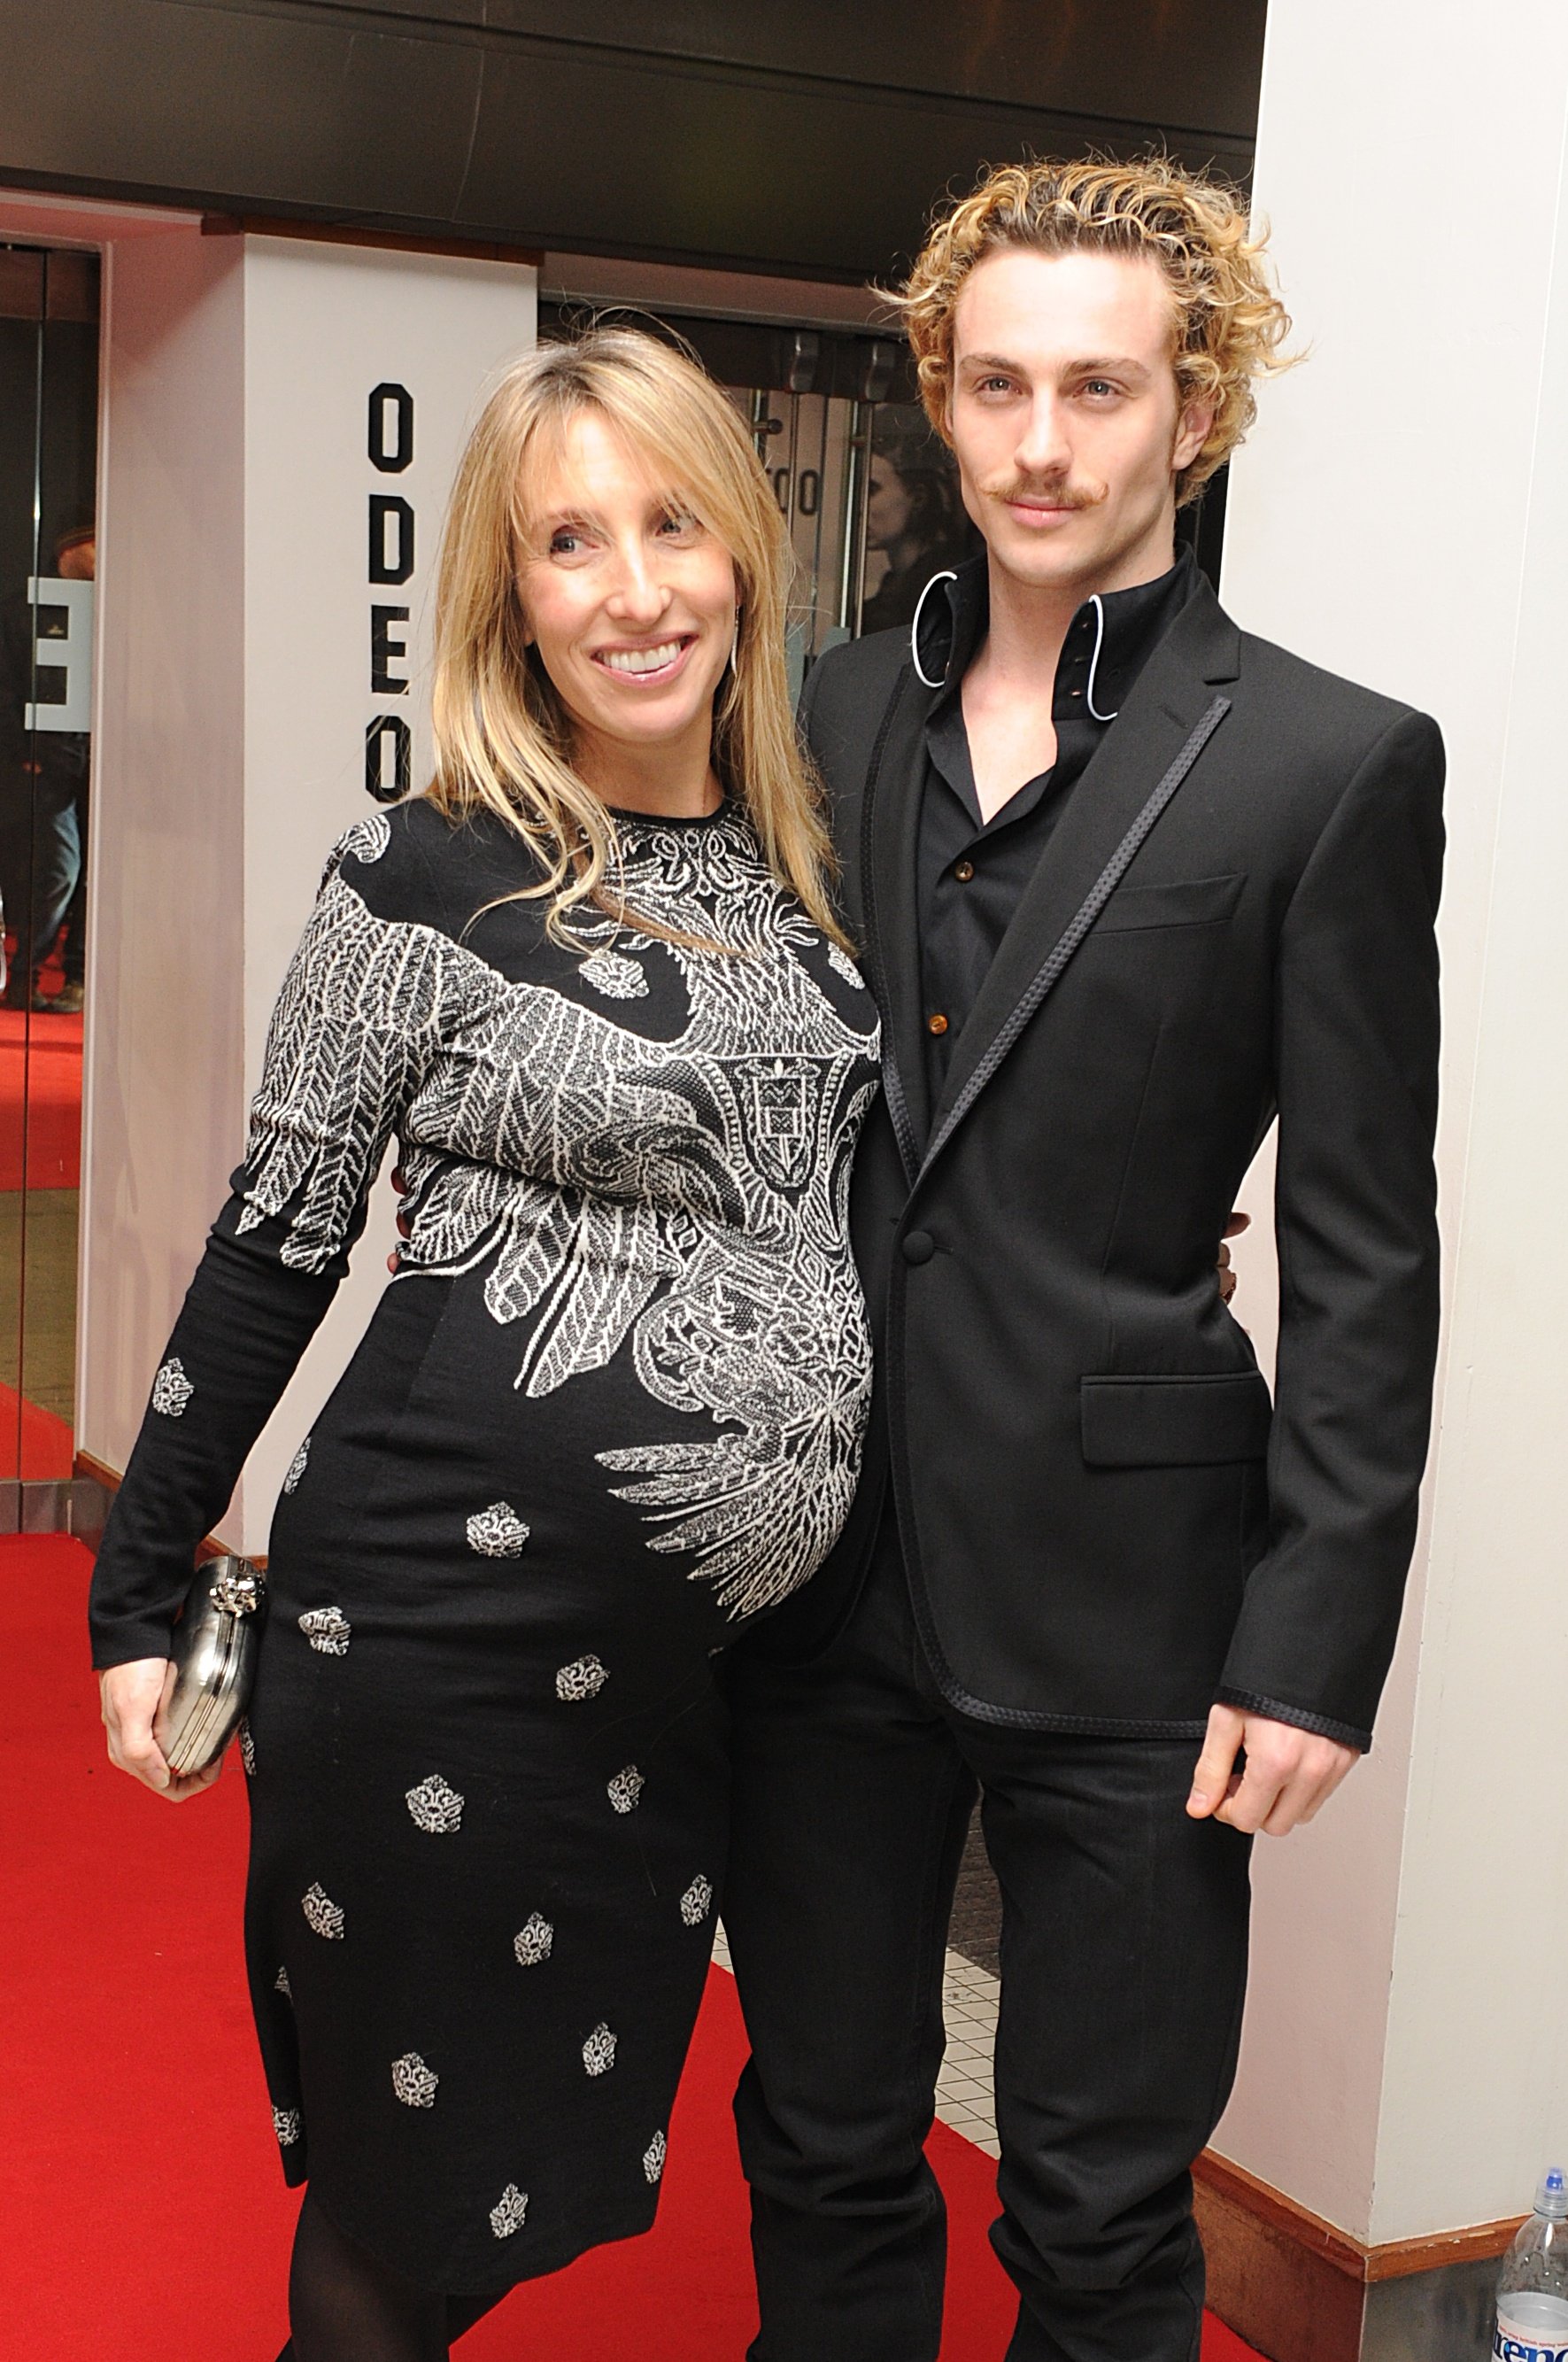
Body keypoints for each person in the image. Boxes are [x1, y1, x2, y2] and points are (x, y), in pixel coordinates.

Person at [88, 329, 880, 2362]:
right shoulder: (422, 873)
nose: (633, 588)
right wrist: (137, 1583)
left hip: (682, 1683)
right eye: (569, 544)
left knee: (524, 2180)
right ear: (507, 597)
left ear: (742, 552)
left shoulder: (812, 879)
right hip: (433, 1645)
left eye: (672, 523)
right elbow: (275, 1249)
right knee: (401, 2195)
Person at [722, 155, 1445, 2362]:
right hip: (815, 1573)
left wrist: (1316, 1638)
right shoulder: (811, 716)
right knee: (826, 2131)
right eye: (1002, 384)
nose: (1044, 445)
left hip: (1145, 1607)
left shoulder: (1330, 765)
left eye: (1102, 390)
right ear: (941, 397)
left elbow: (1363, 1239)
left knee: (1102, 2209)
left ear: (1195, 414)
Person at [0, 523, 92, 1012]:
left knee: (93, 878)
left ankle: (78, 979)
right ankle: (24, 974)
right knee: (59, 871)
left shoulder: (124, 610)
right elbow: (8, 686)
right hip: (48, 762)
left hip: (103, 763)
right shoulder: (24, 612)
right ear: (70, 550)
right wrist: (24, 751)